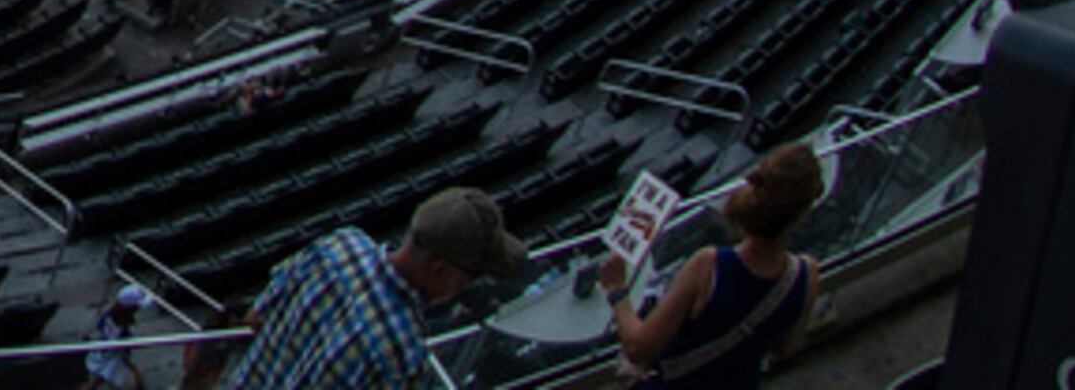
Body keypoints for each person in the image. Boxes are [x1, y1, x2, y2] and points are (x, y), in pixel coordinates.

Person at [201, 188, 524, 388]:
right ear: (439, 269)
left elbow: (256, 316)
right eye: (471, 274)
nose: (468, 285)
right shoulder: (401, 352)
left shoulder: (339, 244)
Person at [595, 142, 824, 386]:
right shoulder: (807, 273)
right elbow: (785, 349)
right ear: (802, 213)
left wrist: (617, 290)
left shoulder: (709, 265)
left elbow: (637, 347)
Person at [88, 284, 158, 388]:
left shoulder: (109, 316)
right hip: (111, 360)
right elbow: (120, 351)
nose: (138, 309)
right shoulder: (121, 328)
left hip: (106, 356)